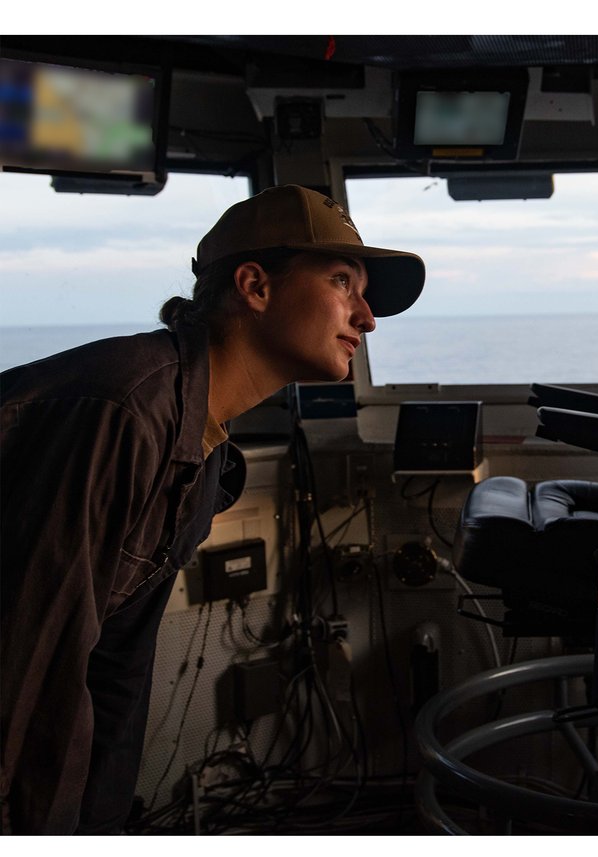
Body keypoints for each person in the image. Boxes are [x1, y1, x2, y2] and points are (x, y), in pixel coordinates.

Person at [0, 185, 425, 834]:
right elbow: (28, 684)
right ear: (255, 286)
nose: (367, 318)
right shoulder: (125, 414)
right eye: (343, 281)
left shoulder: (205, 454)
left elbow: (117, 665)